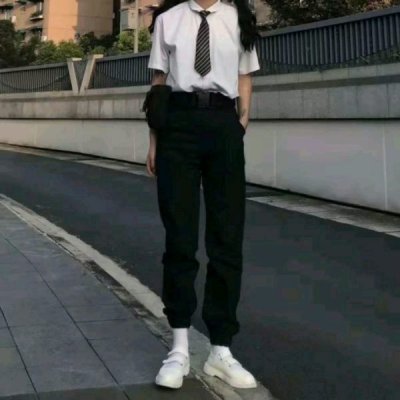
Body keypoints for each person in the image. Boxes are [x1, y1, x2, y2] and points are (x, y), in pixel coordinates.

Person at [146, 0, 260, 390]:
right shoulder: (168, 20)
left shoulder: (238, 18)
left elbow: (245, 76)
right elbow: (158, 84)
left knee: (227, 239)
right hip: (177, 127)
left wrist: (241, 124)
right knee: (180, 238)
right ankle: (178, 347)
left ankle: (220, 350)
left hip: (224, 127)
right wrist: (155, 140)